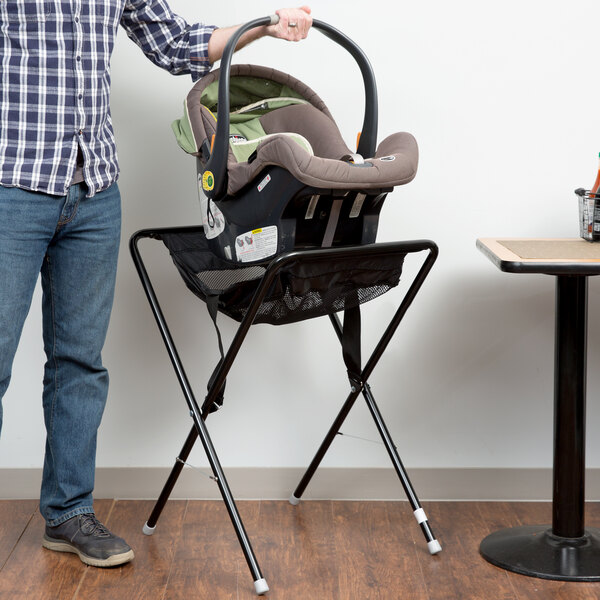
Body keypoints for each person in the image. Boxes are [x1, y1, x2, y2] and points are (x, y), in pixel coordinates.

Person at [0, 2, 312, 568]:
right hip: (9, 185)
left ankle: (68, 513)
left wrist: (264, 27)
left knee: (79, 362)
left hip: (93, 189)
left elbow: (175, 43)